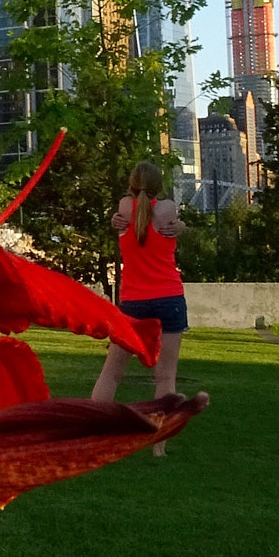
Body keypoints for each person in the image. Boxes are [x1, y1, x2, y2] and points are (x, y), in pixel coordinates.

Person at [92, 161, 187, 455]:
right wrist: (182, 226)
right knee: (165, 376)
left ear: (132, 184)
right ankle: (159, 447)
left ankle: (94, 435)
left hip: (133, 301)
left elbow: (129, 213)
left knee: (111, 373)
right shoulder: (168, 209)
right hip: (170, 297)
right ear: (159, 184)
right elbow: (171, 222)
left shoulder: (124, 207)